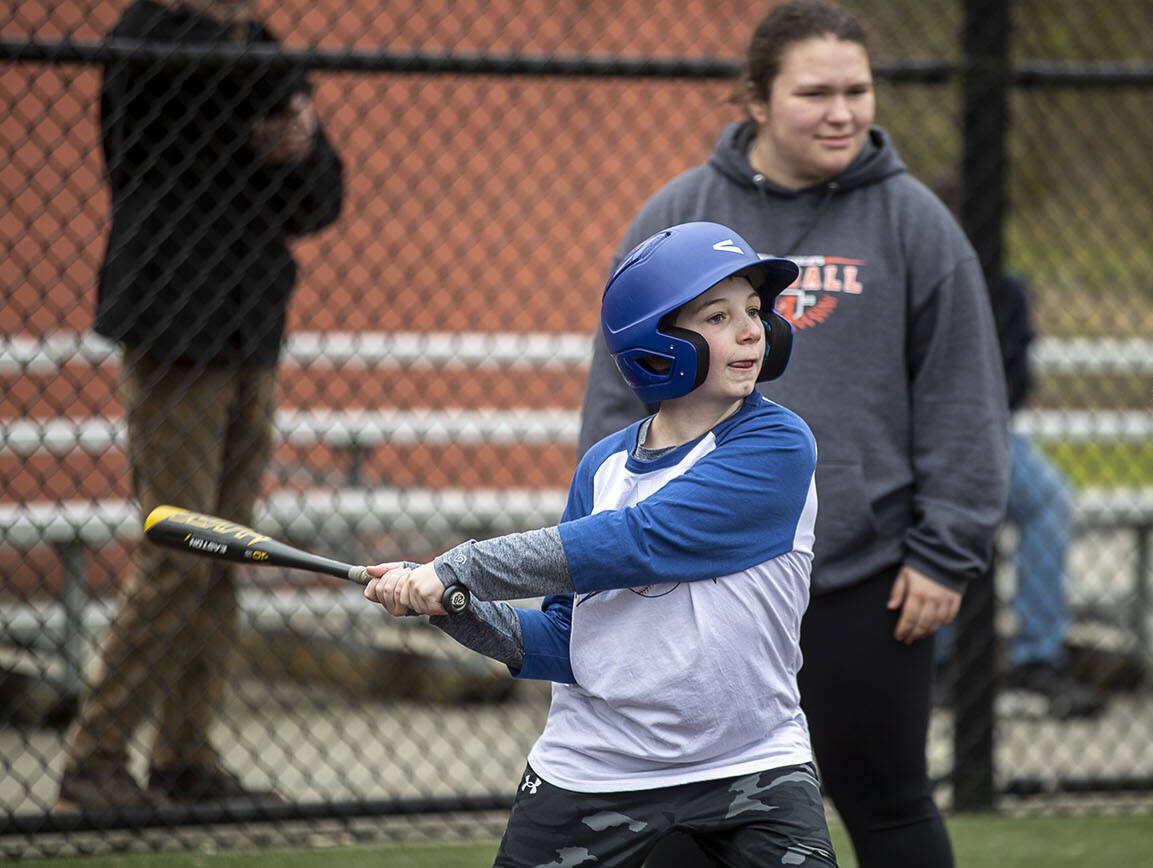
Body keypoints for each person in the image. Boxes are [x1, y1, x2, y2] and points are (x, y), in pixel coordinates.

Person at [577, 3, 1008, 866]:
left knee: (886, 802)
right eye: (815, 92)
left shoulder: (913, 221)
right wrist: (608, 542)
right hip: (698, 582)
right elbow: (615, 394)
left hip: (865, 578)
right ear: (757, 101)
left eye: (858, 89)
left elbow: (964, 394)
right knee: (678, 815)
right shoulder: (681, 211)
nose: (843, 111)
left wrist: (945, 548)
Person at [364, 222, 836, 867]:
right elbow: (565, 642)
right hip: (598, 766)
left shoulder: (777, 446)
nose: (752, 330)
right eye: (718, 317)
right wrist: (452, 606)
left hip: (752, 761)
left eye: (754, 311)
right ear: (655, 342)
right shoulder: (604, 467)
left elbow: (639, 541)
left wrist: (460, 566)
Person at [58, 0, 343, 810]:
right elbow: (206, 108)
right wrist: (272, 105)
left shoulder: (253, 50)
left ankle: (184, 756)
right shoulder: (151, 38)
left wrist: (298, 147)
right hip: (174, 323)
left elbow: (321, 194)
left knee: (232, 549)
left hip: (249, 325)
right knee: (178, 546)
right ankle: (95, 760)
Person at [934, 270, 1108, 719]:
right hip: (917, 431)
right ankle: (938, 661)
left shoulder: (1004, 289)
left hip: (986, 429)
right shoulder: (916, 273)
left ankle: (1037, 658)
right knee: (937, 503)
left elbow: (1017, 382)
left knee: (1048, 498)